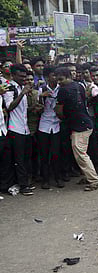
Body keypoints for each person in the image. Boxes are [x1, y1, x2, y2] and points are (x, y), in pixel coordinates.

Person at [55, 67, 98, 191]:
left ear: (68, 77)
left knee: (80, 153)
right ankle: (89, 176)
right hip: (84, 123)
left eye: (61, 79)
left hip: (79, 126)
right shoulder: (79, 85)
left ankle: (94, 180)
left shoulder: (63, 90)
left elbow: (59, 111)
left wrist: (65, 118)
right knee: (81, 153)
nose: (59, 82)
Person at [4, 64, 34, 196]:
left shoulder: (22, 87)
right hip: (14, 128)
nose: (24, 79)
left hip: (25, 128)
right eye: (21, 77)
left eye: (25, 77)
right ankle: (23, 185)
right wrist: (22, 93)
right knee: (19, 159)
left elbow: (22, 110)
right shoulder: (10, 88)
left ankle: (25, 182)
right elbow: (10, 106)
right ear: (13, 75)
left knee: (26, 157)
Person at [37, 65, 63, 189]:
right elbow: (37, 107)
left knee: (56, 153)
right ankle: (45, 180)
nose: (56, 78)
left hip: (57, 123)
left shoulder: (61, 88)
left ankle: (58, 178)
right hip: (44, 124)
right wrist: (42, 97)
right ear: (47, 77)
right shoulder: (41, 89)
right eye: (53, 75)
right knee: (44, 153)